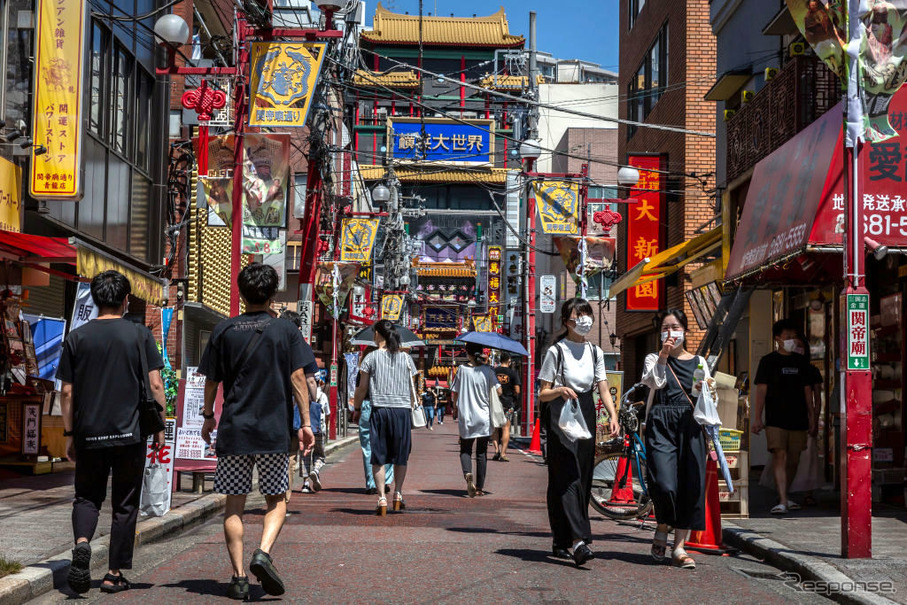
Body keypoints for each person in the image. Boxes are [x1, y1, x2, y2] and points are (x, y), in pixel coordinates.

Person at [199, 263, 315, 600]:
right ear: (273, 293)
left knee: (233, 505)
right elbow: (297, 378)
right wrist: (306, 422)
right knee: (276, 499)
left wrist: (209, 416)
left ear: (241, 292)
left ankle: (237, 578)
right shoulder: (286, 331)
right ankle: (262, 553)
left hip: (234, 430)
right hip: (272, 431)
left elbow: (211, 380)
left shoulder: (223, 330)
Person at [58, 270, 167, 595]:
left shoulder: (77, 337)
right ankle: (113, 573)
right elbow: (156, 384)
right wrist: (159, 426)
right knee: (125, 502)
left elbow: (66, 392)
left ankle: (81, 544)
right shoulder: (139, 335)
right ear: (125, 300)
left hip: (89, 432)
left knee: (87, 496)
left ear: (94, 298)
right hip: (129, 434)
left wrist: (68, 434)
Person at [538, 298, 619, 568]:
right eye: (578, 315)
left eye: (587, 314)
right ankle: (578, 541)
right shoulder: (556, 351)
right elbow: (543, 392)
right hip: (560, 409)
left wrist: (612, 414)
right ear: (566, 321)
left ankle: (562, 539)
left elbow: (603, 387)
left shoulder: (595, 351)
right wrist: (560, 390)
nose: (583, 320)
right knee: (567, 473)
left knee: (583, 475)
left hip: (585, 408)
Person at [641, 308, 710, 570]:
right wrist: (663, 356)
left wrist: (707, 390)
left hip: (691, 425)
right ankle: (661, 526)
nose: (671, 333)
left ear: (685, 330)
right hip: (661, 422)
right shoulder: (653, 358)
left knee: (691, 485)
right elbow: (655, 383)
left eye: (675, 327)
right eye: (666, 328)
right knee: (664, 482)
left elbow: (708, 398)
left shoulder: (700, 362)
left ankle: (679, 547)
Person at [352, 320, 419, 515]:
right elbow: (411, 384)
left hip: (380, 409)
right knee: (400, 456)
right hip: (402, 411)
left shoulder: (371, 358)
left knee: (379, 455)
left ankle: (381, 497)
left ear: (378, 334)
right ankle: (397, 493)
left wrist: (357, 408)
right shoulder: (406, 359)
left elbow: (362, 388)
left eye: (374, 333)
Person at [751, 319, 813, 515]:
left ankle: (783, 494)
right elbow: (761, 391)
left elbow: (807, 392)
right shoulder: (768, 361)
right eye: (787, 337)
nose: (791, 341)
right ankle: (783, 500)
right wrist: (757, 417)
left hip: (799, 418)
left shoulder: (800, 362)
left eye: (793, 337)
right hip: (775, 419)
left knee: (794, 459)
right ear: (777, 339)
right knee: (779, 455)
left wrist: (812, 417)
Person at [278, 310, 320, 503]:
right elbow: (310, 380)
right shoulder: (302, 347)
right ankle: (283, 500)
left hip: (270, 406)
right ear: (297, 328)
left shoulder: (270, 342)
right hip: (294, 408)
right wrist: (314, 401)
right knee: (291, 456)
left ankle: (274, 495)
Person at [451, 343, 502, 497]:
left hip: (466, 415)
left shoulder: (462, 370)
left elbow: (455, 392)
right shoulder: (488, 371)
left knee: (465, 449)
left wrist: (455, 408)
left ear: (468, 353)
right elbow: (499, 390)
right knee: (481, 453)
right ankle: (479, 488)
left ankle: (468, 473)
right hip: (483, 416)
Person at [301, 373, 330, 493]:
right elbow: (327, 413)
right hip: (319, 429)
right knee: (320, 455)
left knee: (305, 455)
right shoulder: (322, 396)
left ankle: (305, 484)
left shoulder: (303, 395)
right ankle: (316, 470)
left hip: (306, 428)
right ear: (320, 382)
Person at [493, 352, 521, 462]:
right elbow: (517, 390)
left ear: (500, 360)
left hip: (495, 403)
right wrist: (514, 396)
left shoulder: (494, 372)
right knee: (505, 428)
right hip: (508, 403)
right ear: (509, 361)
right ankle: (503, 453)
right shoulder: (513, 373)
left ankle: (496, 450)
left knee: (495, 427)